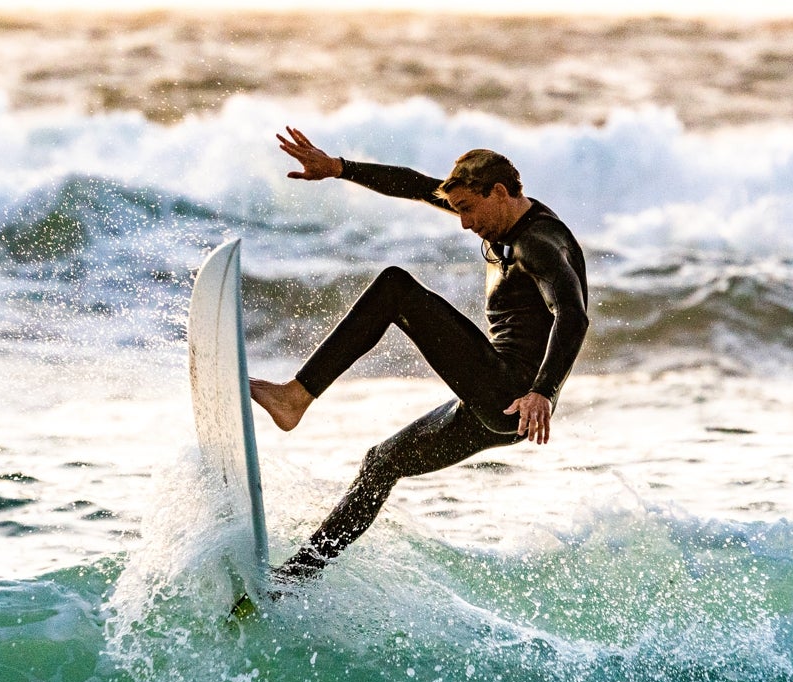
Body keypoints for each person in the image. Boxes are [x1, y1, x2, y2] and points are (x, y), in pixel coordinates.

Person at [252, 127, 589, 584]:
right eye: (456, 211)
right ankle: (292, 580)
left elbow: (573, 314)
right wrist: (338, 169)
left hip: (513, 393)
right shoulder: (498, 219)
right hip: (493, 402)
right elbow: (412, 183)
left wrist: (542, 393)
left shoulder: (538, 243)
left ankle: (296, 396)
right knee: (381, 463)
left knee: (395, 289)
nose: (464, 224)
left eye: (468, 210)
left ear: (499, 192)